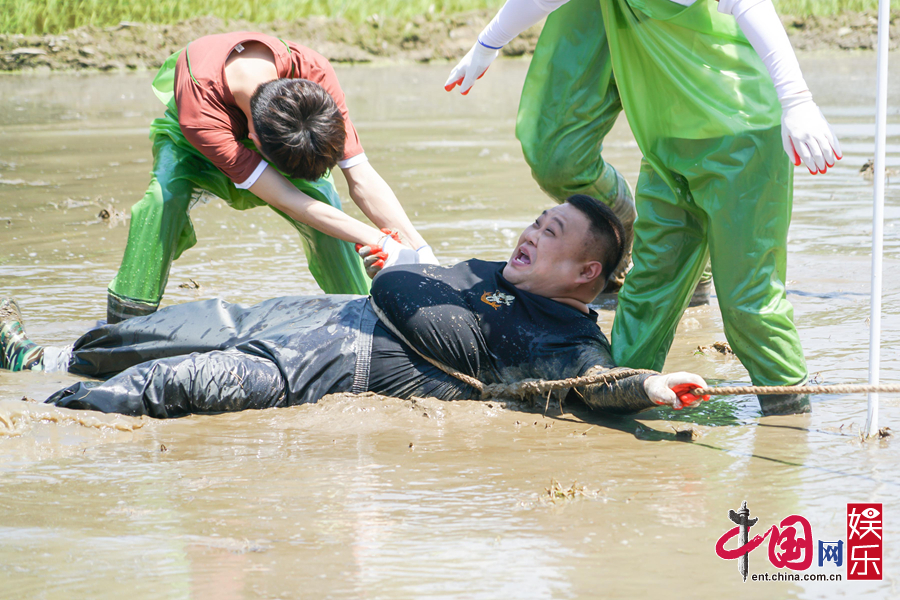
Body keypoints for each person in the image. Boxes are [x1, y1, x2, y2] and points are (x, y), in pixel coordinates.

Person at [445, 0, 839, 414]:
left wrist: (797, 100)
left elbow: (749, 4)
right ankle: (616, 397)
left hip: (742, 144)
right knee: (648, 290)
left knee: (747, 302)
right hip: (665, 150)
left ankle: (787, 419)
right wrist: (486, 44)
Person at [1, 195, 710, 418]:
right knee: (179, 325)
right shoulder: (502, 271)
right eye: (537, 219)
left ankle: (48, 416)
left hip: (344, 361)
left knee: (182, 382)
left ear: (586, 273)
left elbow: (597, 382)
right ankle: (38, 360)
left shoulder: (563, 333)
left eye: (550, 232)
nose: (531, 232)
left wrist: (651, 386)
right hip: (333, 311)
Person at [106, 31, 436, 324]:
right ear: (255, 139)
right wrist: (378, 240)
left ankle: (366, 314)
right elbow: (288, 199)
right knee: (162, 202)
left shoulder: (314, 75)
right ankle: (126, 319)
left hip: (285, 139)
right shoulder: (201, 113)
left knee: (325, 203)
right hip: (191, 142)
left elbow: (360, 175)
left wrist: (419, 252)